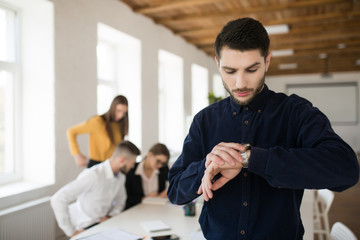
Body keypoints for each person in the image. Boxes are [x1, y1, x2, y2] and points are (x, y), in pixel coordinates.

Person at [167, 17, 359, 240]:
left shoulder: (295, 112)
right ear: (217, 63)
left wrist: (249, 158)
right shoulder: (204, 120)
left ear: (267, 61)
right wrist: (209, 165)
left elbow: (346, 170)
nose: (240, 83)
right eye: (230, 71)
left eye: (251, 69)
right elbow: (175, 191)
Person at [51, 140, 140, 237]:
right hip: (83, 226)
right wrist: (71, 232)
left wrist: (111, 216)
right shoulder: (94, 175)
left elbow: (121, 201)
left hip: (103, 225)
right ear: (122, 160)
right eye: (132, 163)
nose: (132, 166)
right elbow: (58, 199)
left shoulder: (121, 177)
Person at [67, 95, 129, 168]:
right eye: (118, 111)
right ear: (112, 108)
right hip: (96, 165)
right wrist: (77, 155)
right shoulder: (97, 122)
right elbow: (71, 132)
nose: (121, 115)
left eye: (124, 112)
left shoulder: (119, 124)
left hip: (112, 165)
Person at [125, 143, 170, 209]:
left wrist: (168, 191)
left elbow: (174, 183)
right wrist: (144, 198)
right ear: (150, 155)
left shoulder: (163, 169)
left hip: (159, 209)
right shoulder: (132, 170)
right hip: (137, 211)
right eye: (158, 161)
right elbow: (127, 198)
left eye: (163, 163)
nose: (160, 165)